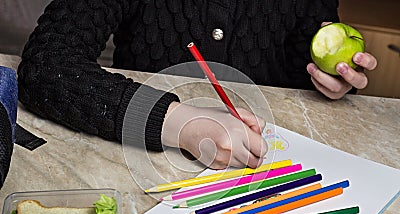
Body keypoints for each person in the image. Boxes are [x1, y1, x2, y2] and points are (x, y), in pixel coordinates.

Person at [17, 0, 377, 170]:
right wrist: (176, 122)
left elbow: (303, 53)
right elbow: (46, 65)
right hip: (141, 162)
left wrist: (334, 79)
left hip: (267, 167)